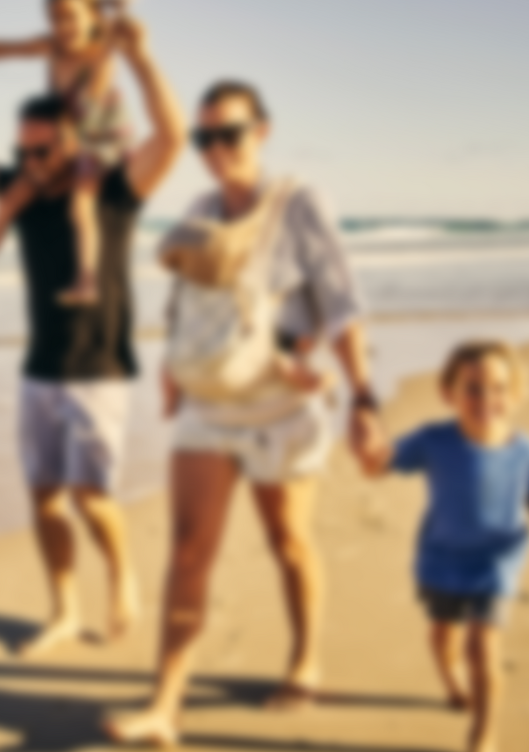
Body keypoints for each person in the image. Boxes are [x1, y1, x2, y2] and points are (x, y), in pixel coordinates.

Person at [106, 80, 385, 746]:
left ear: (262, 131)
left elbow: (342, 301)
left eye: (228, 134)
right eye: (204, 138)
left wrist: (364, 397)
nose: (214, 150)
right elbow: (188, 296)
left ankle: (306, 659)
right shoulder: (201, 205)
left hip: (282, 405)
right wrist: (174, 370)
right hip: (207, 404)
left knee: (288, 543)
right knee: (187, 551)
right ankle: (164, 705)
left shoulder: (298, 203)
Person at [0, 10, 184, 656]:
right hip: (39, 368)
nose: (30, 162)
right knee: (44, 498)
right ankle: (64, 610)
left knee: (93, 497)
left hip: (98, 367)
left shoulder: (117, 189)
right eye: (22, 151)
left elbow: (173, 137)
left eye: (43, 150)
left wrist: (142, 57)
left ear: (76, 140)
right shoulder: (23, 188)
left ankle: (122, 578)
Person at [359, 340, 529, 752]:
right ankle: (451, 681)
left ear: (515, 394)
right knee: (444, 635)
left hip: (497, 561)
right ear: (450, 393)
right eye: (473, 388)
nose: (486, 398)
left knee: (483, 647)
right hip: (442, 558)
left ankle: (483, 736)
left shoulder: (526, 451)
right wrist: (372, 454)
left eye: (498, 388)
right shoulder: (433, 440)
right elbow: (384, 463)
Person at [0, 0, 134, 306]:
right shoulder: (51, 47)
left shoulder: (100, 54)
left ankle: (86, 279)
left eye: (71, 16)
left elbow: (90, 105)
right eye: (54, 18)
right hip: (62, 143)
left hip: (97, 140)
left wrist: (116, 15)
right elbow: (4, 48)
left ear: (92, 17)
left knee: (81, 204)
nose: (62, 26)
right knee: (10, 198)